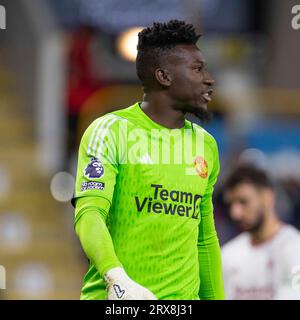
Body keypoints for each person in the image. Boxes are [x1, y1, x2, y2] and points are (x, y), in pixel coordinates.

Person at [72, 20, 224, 300]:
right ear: (164, 77)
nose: (209, 79)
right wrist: (116, 279)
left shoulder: (206, 144)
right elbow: (89, 216)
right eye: (197, 69)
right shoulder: (112, 131)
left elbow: (204, 240)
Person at [221, 165, 300, 299]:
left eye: (243, 202)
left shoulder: (294, 249)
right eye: (231, 204)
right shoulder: (227, 255)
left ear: (267, 197)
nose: (235, 213)